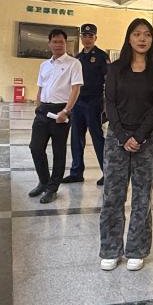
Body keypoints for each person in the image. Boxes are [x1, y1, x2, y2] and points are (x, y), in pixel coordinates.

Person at [99, 19, 153, 272]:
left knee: (142, 197)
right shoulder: (116, 68)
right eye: (137, 34)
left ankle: (136, 250)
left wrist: (138, 137)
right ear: (129, 38)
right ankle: (110, 249)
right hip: (116, 140)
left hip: (147, 141)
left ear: (152, 39)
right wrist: (121, 136)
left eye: (147, 34)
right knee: (112, 196)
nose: (142, 39)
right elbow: (110, 103)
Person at [28, 29, 84, 204]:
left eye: (61, 42)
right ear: (49, 43)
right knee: (35, 148)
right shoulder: (44, 65)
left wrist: (66, 111)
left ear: (66, 44)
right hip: (43, 110)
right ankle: (44, 182)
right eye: (55, 41)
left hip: (61, 111)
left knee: (58, 152)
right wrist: (38, 105)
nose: (58, 45)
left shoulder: (74, 63)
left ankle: (52, 188)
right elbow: (40, 88)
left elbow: (75, 89)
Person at [63, 24, 109, 187]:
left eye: (91, 36)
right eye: (84, 36)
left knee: (97, 137)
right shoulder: (77, 58)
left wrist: (107, 105)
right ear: (81, 38)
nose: (87, 39)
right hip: (78, 102)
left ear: (95, 38)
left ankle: (107, 173)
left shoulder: (102, 57)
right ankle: (76, 173)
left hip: (94, 102)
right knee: (76, 138)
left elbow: (109, 81)